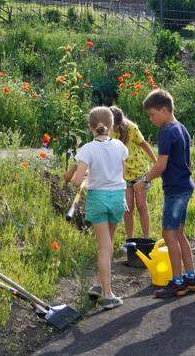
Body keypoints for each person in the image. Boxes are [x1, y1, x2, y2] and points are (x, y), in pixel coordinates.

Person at [134, 89, 195, 298]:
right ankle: (191, 278)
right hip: (185, 186)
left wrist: (144, 180)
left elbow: (161, 164)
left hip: (175, 189)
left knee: (168, 233)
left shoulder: (166, 131)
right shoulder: (181, 128)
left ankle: (177, 282)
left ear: (163, 110)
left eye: (152, 114)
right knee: (179, 233)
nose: (151, 119)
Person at [65, 106, 128, 309]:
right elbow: (121, 173)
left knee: (103, 247)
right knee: (108, 245)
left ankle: (107, 294)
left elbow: (75, 180)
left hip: (98, 198)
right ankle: (100, 285)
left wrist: (85, 177)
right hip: (118, 197)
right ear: (111, 126)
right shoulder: (120, 146)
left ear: (90, 128)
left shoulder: (87, 149)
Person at [110, 106, 157, 239]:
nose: (110, 127)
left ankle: (146, 238)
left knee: (141, 206)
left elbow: (144, 145)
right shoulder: (109, 131)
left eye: (112, 125)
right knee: (128, 208)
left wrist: (156, 161)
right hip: (123, 175)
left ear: (118, 124)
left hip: (139, 173)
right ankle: (130, 240)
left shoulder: (131, 128)